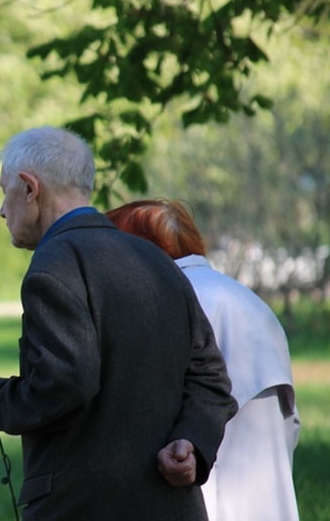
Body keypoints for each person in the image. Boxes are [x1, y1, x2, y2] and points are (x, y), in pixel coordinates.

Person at [0, 126, 238, 520]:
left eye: (3, 191)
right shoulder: (156, 261)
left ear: (30, 188)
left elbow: (64, 381)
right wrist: (191, 442)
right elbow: (210, 376)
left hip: (83, 505)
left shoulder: (55, 265)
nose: (1, 210)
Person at [106, 199, 300, 521]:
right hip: (268, 499)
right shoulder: (250, 301)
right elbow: (290, 423)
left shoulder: (164, 302)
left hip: (196, 499)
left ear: (139, 250)